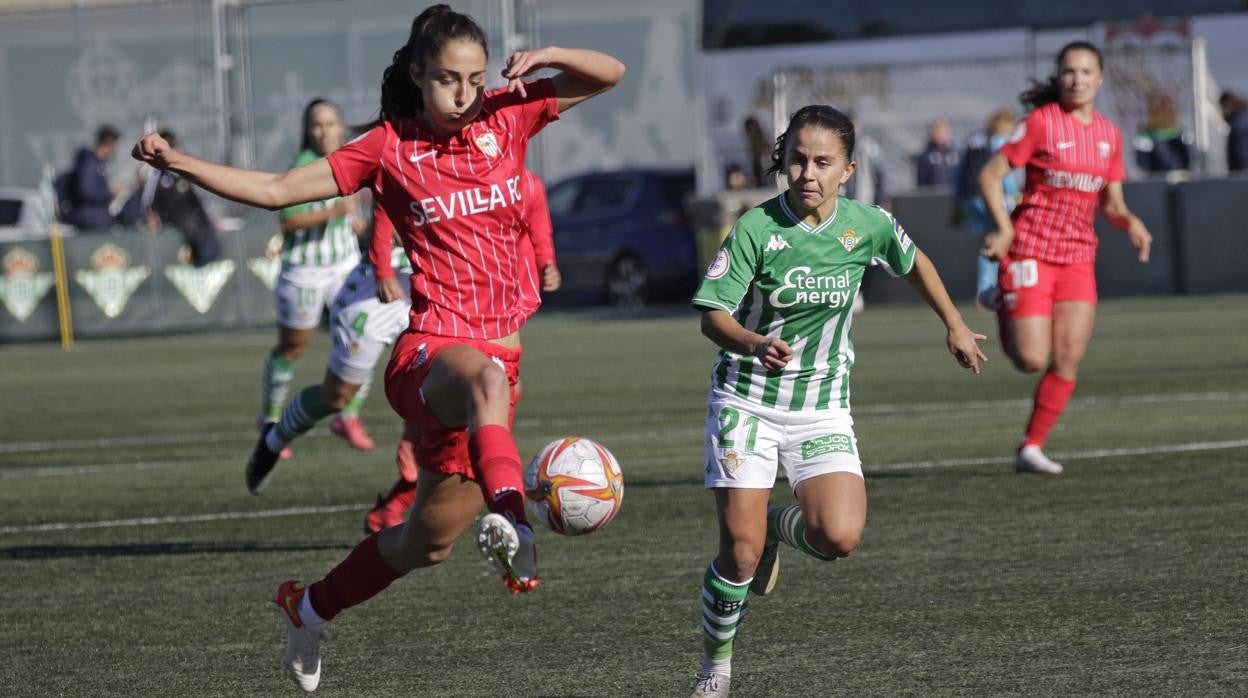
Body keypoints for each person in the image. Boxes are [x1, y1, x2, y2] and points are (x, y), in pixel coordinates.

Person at [133, 4, 623, 692]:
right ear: (419, 76)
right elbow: (276, 191)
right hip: (431, 357)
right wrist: (177, 160)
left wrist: (546, 57)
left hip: (495, 370)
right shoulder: (390, 148)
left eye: (475, 79)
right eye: (449, 79)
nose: (464, 93)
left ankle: (307, 608)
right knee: (481, 379)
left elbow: (610, 74)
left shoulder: (508, 116)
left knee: (424, 542)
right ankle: (515, 519)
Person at [688, 104, 986, 698]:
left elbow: (915, 260)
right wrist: (752, 342)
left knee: (839, 537)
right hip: (746, 400)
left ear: (847, 169)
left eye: (823, 162)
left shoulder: (866, 224)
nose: (808, 173)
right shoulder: (756, 227)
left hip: (821, 406)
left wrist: (952, 322)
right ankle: (715, 669)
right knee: (739, 559)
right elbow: (711, 315)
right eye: (798, 159)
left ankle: (778, 526)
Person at [978, 41, 1153, 475]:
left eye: (1086, 72)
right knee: (1030, 360)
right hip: (1030, 250)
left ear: (1100, 79)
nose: (1077, 79)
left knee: (1069, 356)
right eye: (1069, 72)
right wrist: (1004, 228)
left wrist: (1130, 221)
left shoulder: (1109, 135)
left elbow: (1111, 203)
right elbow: (990, 174)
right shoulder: (1041, 122)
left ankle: (1031, 446)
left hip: (1077, 256)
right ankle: (1001, 296)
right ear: (1059, 77)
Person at [364, 169, 560, 534]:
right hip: (447, 312)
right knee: (481, 391)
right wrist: (383, 268)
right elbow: (385, 206)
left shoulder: (523, 181)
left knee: (431, 539)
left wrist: (546, 259)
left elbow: (537, 221)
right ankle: (506, 512)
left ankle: (401, 499)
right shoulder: (426, 167)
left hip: (503, 312)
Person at [257, 98, 370, 464]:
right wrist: (334, 211)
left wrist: (351, 223)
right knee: (292, 349)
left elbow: (354, 209)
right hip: (305, 269)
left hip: (345, 266)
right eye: (317, 125)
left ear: (341, 126)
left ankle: (348, 415)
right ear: (307, 130)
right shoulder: (302, 167)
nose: (325, 131)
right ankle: (271, 419)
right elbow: (289, 221)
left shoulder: (351, 157)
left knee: (362, 339)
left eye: (331, 123)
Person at [952, 108, 1020, 308]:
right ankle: (989, 290)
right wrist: (1014, 195)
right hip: (990, 197)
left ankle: (984, 289)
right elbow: (1000, 173)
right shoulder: (998, 140)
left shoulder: (975, 139)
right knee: (998, 238)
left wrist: (958, 200)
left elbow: (959, 172)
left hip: (970, 198)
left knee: (987, 240)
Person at [142, 130, 223, 266]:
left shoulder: (184, 174)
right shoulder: (157, 176)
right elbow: (148, 200)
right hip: (172, 220)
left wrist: (209, 219)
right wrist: (152, 216)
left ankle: (210, 260)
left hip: (192, 217)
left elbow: (196, 200)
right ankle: (201, 260)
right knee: (191, 226)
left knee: (206, 229)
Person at [64, 125, 121, 231]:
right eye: (114, 145)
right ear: (108, 142)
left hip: (99, 219)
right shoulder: (89, 162)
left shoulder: (99, 163)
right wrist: (110, 193)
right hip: (91, 221)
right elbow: (86, 190)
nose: (115, 150)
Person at [1133, 92, 1192, 174]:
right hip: (1155, 178)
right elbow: (1142, 161)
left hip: (1181, 176)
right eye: (1158, 110)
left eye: (1166, 110)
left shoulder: (1181, 133)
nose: (1163, 113)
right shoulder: (1144, 135)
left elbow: (1190, 157)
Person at [915, 118, 960, 186]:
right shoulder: (925, 157)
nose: (940, 136)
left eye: (943, 133)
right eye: (937, 133)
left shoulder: (957, 155)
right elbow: (921, 182)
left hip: (952, 194)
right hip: (934, 195)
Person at [1219, 91, 1248, 172]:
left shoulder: (1239, 123)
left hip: (1242, 170)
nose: (1222, 110)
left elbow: (1241, 151)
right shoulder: (1238, 121)